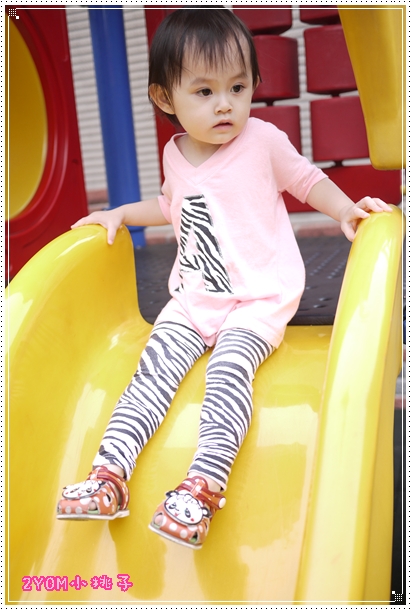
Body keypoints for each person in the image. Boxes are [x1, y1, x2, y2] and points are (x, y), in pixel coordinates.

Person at [56, 8, 392, 548]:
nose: (225, 104)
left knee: (227, 373)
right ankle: (108, 476)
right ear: (165, 98)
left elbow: (306, 180)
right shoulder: (175, 154)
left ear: (253, 84)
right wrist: (120, 213)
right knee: (150, 376)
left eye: (237, 87)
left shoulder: (262, 141)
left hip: (258, 299)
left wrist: (346, 210)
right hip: (195, 297)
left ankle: (204, 486)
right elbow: (172, 206)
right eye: (205, 91)